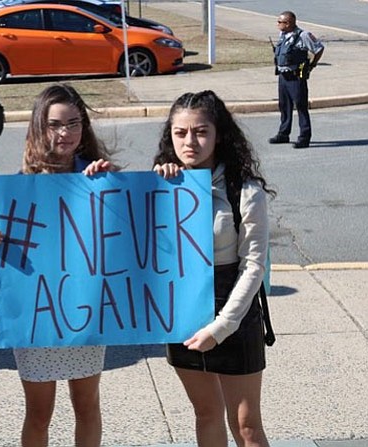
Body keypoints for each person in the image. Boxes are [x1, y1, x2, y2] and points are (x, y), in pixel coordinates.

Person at [0, 84, 113, 447]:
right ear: (40, 128)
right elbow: (6, 258)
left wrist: (113, 188)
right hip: (38, 316)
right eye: (55, 125)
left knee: (87, 406)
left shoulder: (100, 177)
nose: (65, 133)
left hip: (84, 310)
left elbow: (125, 243)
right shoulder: (23, 187)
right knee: (39, 413)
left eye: (73, 123)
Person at [153, 90, 275, 446]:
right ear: (170, 135)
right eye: (181, 132)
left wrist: (223, 325)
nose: (190, 141)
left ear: (218, 134)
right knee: (205, 414)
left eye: (201, 131)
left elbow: (254, 266)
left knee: (246, 424)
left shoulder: (245, 191)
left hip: (233, 309)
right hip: (184, 310)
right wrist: (158, 189)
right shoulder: (162, 185)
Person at [268, 11, 324, 149]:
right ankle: (283, 134)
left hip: (295, 77)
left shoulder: (303, 35)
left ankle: (304, 137)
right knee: (284, 106)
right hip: (283, 76)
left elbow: (319, 49)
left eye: (279, 22)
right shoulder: (283, 34)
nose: (277, 24)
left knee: (300, 106)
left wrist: (312, 65)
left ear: (288, 23)